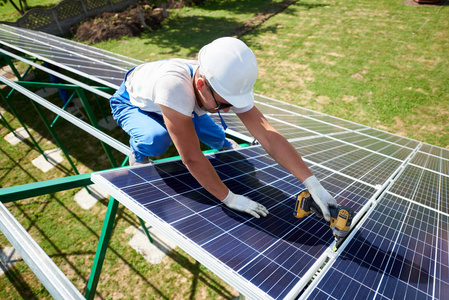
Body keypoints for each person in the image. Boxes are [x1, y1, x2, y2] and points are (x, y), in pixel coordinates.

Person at [110, 37, 338, 220]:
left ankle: (221, 141)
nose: (228, 111)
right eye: (224, 104)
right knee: (156, 138)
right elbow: (191, 157)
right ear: (201, 85)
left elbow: (267, 135)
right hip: (133, 102)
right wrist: (228, 197)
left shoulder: (216, 84)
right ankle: (138, 152)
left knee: (216, 135)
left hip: (180, 97)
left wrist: (313, 184)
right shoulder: (175, 90)